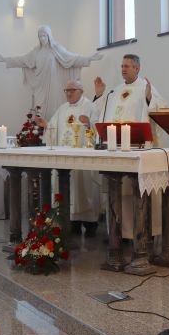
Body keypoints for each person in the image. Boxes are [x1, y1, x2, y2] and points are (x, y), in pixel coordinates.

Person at [93, 54, 166, 239]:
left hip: (138, 149)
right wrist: (101, 95)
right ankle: (121, 233)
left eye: (127, 66)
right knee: (119, 191)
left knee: (137, 191)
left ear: (137, 68)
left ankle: (144, 232)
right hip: (116, 149)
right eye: (122, 66)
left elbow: (160, 108)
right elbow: (100, 114)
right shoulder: (114, 91)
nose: (123, 69)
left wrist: (150, 99)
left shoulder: (146, 88)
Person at [35, 80, 102, 237]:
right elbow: (53, 128)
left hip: (82, 158)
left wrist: (89, 124)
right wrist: (46, 126)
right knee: (67, 187)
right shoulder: (62, 108)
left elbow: (98, 128)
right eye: (66, 90)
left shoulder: (89, 106)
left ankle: (90, 223)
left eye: (72, 90)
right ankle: (71, 221)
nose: (69, 93)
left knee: (84, 188)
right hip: (64, 158)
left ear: (81, 91)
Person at [0, 25, 102, 118]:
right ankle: (38, 132)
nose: (42, 38)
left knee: (53, 109)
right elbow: (22, 60)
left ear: (49, 36)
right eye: (40, 36)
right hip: (40, 86)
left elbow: (72, 58)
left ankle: (52, 128)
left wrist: (89, 58)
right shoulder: (36, 52)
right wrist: (5, 59)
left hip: (53, 86)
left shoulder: (56, 49)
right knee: (39, 108)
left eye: (44, 35)